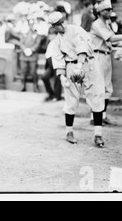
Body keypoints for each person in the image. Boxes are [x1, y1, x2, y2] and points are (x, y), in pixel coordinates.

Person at [48, 11, 106, 147]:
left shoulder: (76, 30)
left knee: (96, 96)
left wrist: (79, 66)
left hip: (87, 63)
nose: (57, 27)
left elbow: (83, 47)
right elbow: (57, 57)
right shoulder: (57, 40)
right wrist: (62, 76)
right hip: (70, 65)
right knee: (71, 99)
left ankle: (98, 134)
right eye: (54, 25)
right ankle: (69, 132)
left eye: (58, 24)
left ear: (63, 22)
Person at [90, 0, 122, 125]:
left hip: (106, 55)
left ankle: (102, 116)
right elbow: (111, 38)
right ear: (99, 12)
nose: (109, 11)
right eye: (106, 10)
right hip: (97, 56)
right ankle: (94, 117)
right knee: (97, 88)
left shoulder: (106, 24)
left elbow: (114, 42)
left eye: (110, 9)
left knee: (107, 89)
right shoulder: (97, 23)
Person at [18, 18, 42, 92]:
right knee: (23, 71)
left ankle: (35, 86)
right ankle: (23, 86)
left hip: (33, 55)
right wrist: (25, 49)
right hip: (23, 55)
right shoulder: (24, 32)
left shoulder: (37, 33)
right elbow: (21, 43)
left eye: (32, 24)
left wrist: (32, 49)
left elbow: (37, 43)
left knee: (33, 71)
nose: (31, 25)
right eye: (30, 24)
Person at [42, 27, 62, 101]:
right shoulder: (50, 42)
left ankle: (57, 96)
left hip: (56, 63)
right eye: (49, 34)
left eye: (51, 34)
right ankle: (51, 94)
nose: (49, 36)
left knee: (57, 78)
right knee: (44, 77)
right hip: (50, 64)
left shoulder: (58, 41)